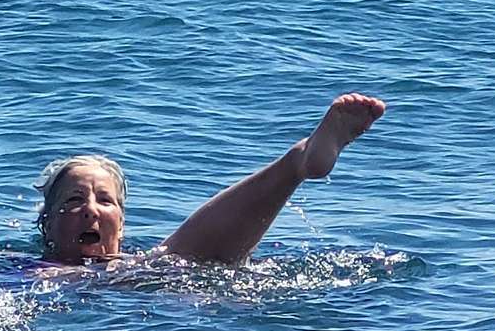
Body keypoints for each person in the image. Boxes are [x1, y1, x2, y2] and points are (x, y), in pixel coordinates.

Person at [35, 93, 385, 267]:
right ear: (46, 224)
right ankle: (294, 164)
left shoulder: (136, 267)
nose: (90, 210)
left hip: (141, 290)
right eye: (74, 200)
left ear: (122, 225)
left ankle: (297, 164)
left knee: (170, 259)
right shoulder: (23, 270)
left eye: (105, 200)